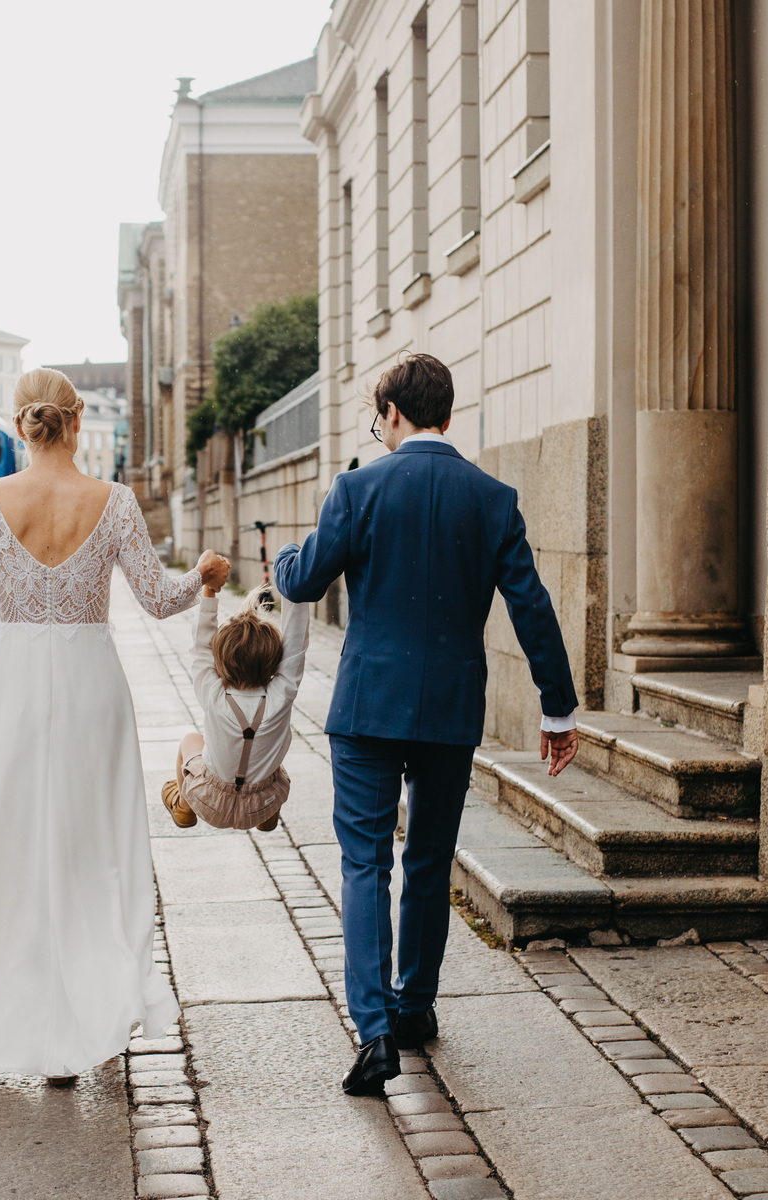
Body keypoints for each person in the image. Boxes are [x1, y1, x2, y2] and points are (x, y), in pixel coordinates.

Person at [0, 367, 227, 1084]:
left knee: (5, 849)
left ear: (20, 426)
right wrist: (205, 577)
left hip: (14, 687)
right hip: (90, 686)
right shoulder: (116, 501)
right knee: (89, 851)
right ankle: (88, 1018)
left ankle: (13, 1016)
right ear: (75, 424)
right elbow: (160, 601)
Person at [274, 352, 580, 1097]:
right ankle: (415, 1007)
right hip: (448, 708)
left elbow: (303, 579)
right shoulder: (492, 497)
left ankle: (375, 1032)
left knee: (363, 863)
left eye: (378, 416)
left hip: (368, 710)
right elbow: (531, 605)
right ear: (446, 412)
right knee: (428, 860)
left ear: (391, 415)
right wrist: (557, 706)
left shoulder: (357, 488)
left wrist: (281, 558)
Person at [162, 581, 310, 833]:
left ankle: (184, 807)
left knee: (190, 740)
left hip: (208, 801)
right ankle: (267, 817)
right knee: (270, 757)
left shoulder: (213, 694)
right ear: (276, 666)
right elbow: (296, 645)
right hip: (264, 801)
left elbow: (200, 649)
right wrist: (297, 586)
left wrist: (209, 589)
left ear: (219, 665)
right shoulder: (282, 695)